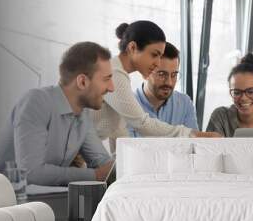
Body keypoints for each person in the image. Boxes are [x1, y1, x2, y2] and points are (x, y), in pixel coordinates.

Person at [0, 42, 115, 186]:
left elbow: (105, 165)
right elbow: (31, 173)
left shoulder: (82, 115)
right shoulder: (36, 102)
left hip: (39, 200)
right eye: (106, 79)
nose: (112, 87)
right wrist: (95, 175)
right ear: (82, 82)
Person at [91, 20, 219, 151]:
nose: (157, 63)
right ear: (132, 48)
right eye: (154, 55)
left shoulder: (118, 74)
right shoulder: (114, 74)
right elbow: (142, 123)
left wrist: (117, 165)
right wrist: (192, 134)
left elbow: (118, 131)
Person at [129, 42, 198, 137]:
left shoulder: (185, 104)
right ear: (145, 73)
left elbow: (193, 147)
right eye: (162, 74)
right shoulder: (128, 105)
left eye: (174, 75)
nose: (169, 82)